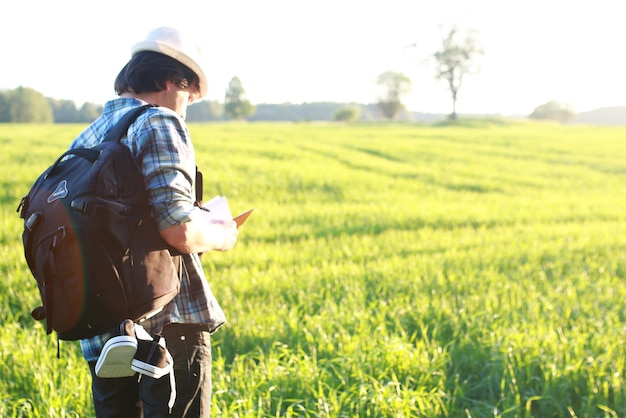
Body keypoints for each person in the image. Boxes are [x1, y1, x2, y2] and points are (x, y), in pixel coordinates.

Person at [70, 27, 239, 417]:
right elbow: (177, 228)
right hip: (166, 323)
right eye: (190, 93)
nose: (188, 103)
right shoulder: (159, 121)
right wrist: (220, 233)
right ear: (169, 80)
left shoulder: (89, 136)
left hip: (103, 328)